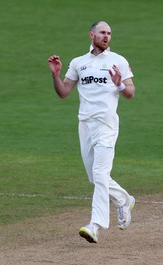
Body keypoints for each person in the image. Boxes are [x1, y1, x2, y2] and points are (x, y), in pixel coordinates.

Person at [47, 21, 136, 243]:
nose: (106, 37)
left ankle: (94, 225)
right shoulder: (79, 63)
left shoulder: (119, 61)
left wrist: (120, 85)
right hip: (85, 125)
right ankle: (123, 199)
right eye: (102, 33)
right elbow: (64, 92)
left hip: (106, 126)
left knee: (99, 175)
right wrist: (56, 76)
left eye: (109, 33)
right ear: (91, 35)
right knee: (95, 177)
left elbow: (131, 92)